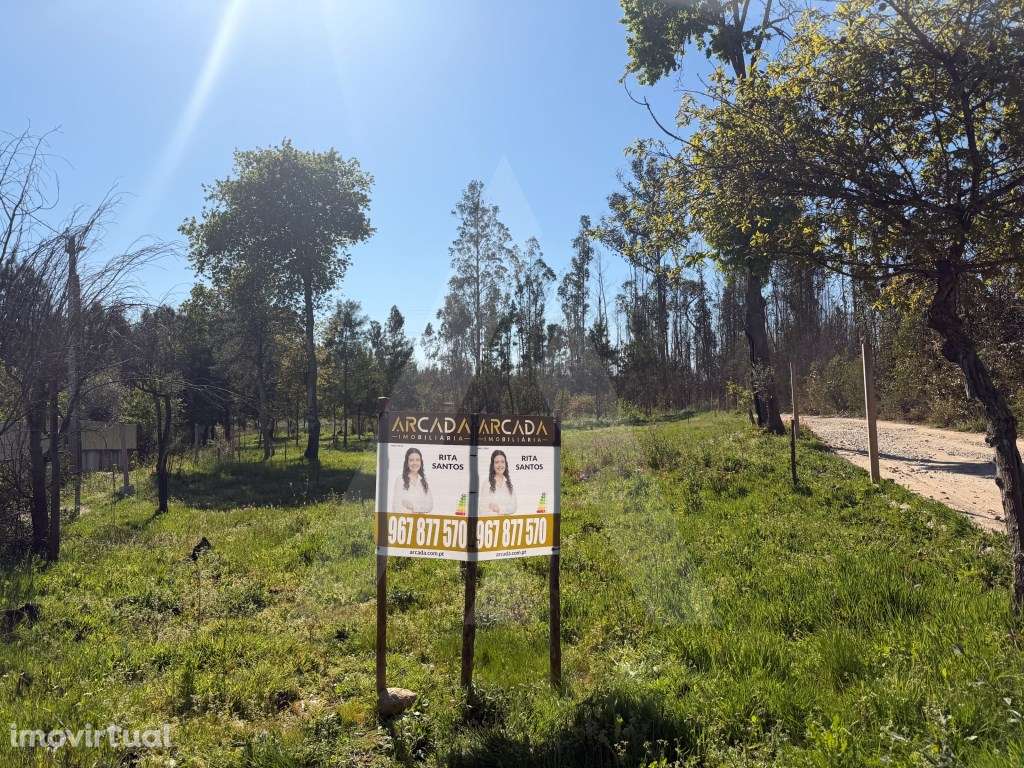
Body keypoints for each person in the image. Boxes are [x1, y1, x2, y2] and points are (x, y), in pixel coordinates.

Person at [391, 447, 434, 513]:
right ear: (407, 463)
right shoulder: (400, 480)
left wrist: (412, 507)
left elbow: (430, 506)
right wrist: (418, 509)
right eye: (411, 460)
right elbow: (396, 507)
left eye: (417, 460)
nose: (415, 463)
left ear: (421, 462)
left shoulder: (424, 481)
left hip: (421, 521)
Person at [482, 450, 517, 515]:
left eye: (502, 462)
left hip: (506, 522)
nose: (500, 465)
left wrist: (499, 509)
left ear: (505, 464)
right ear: (493, 465)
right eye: (497, 462)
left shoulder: (509, 483)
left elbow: (514, 507)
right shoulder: (487, 483)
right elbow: (483, 510)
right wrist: (504, 511)